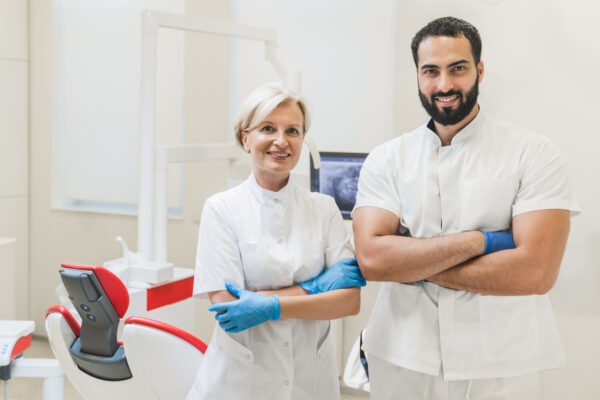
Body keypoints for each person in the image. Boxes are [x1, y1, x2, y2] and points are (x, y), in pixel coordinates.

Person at [353, 17, 580, 400]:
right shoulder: (387, 159)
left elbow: (536, 271)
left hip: (503, 362)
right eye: (431, 71)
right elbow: (374, 261)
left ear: (479, 69)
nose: (444, 85)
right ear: (418, 75)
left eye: (457, 69)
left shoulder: (534, 153)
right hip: (403, 354)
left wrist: (413, 262)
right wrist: (482, 241)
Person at [187, 82, 366, 400]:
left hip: (309, 379)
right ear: (246, 138)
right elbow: (230, 310)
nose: (281, 141)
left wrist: (266, 304)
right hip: (240, 381)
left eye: (293, 131)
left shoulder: (323, 209)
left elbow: (348, 301)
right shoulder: (222, 209)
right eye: (268, 128)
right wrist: (314, 288)